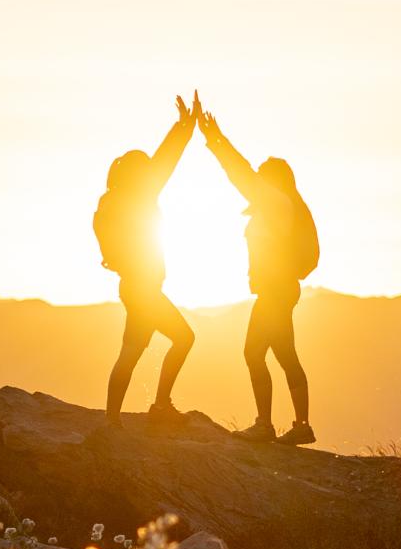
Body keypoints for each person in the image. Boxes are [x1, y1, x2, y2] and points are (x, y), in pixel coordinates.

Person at [196, 104, 318, 444]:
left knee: (255, 353)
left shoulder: (276, 201)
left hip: (276, 290)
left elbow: (240, 173)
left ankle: (267, 425)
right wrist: (215, 139)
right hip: (279, 289)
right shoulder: (280, 203)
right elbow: (244, 173)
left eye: (263, 172)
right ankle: (299, 425)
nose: (257, 175)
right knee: (283, 355)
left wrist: (215, 139)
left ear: (272, 179)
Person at [96, 95, 201, 424]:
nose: (151, 172)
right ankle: (159, 407)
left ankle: (113, 419)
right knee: (184, 338)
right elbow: (166, 160)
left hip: (133, 287)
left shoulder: (110, 203)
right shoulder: (137, 197)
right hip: (144, 289)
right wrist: (184, 127)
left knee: (131, 352)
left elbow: (162, 160)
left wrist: (182, 127)